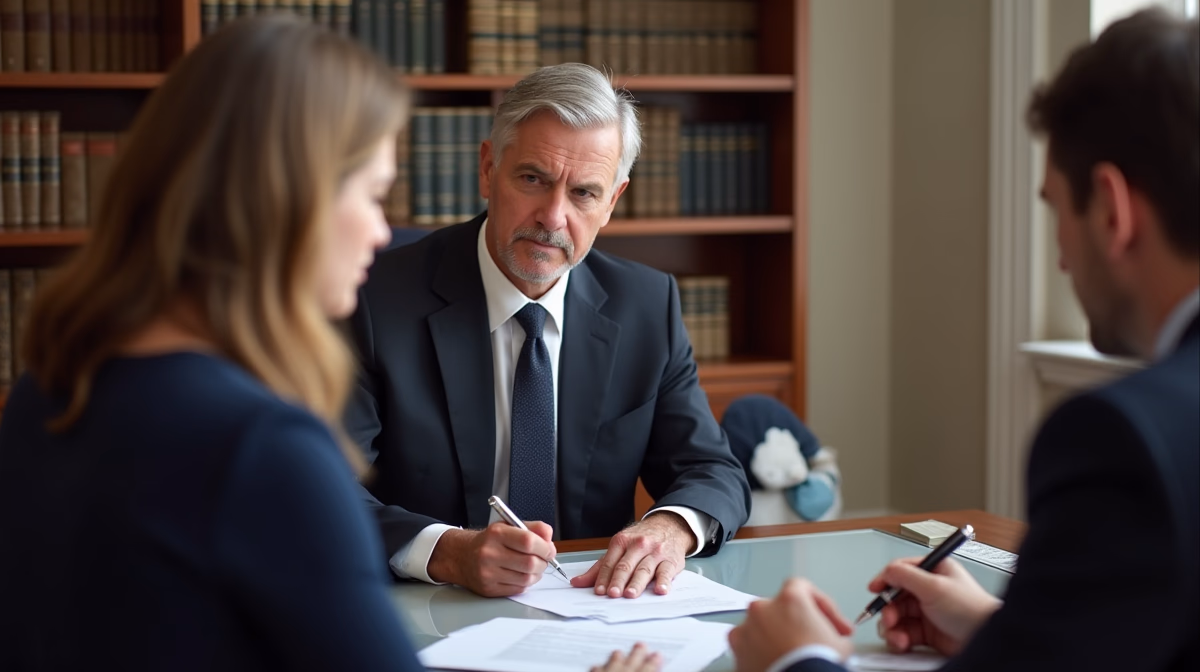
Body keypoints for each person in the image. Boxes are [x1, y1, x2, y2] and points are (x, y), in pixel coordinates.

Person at [0, 17, 648, 672]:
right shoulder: (260, 448)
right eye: (371, 196)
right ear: (284, 202)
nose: (379, 234)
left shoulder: (53, 383)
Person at [727, 9, 1199, 672]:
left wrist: (797, 659)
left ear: (1112, 210)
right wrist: (1002, 634)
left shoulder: (1124, 440)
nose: (1061, 254)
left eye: (1055, 209)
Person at [345, 62, 751, 599]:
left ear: (612, 201)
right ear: (489, 168)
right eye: (533, 179)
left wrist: (670, 527)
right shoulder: (372, 299)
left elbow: (710, 468)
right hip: (426, 604)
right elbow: (320, 488)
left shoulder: (646, 306)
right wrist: (447, 552)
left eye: (583, 192)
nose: (553, 217)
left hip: (591, 611)